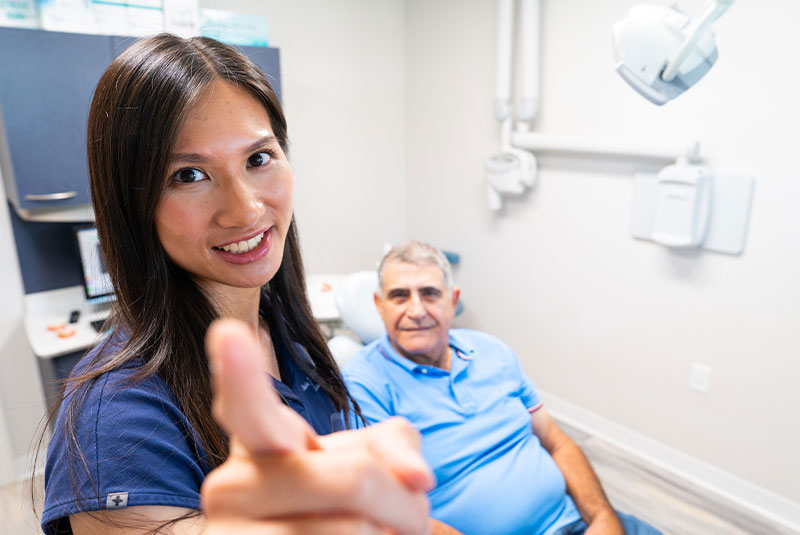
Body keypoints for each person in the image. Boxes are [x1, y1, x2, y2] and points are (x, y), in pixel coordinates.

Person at [37, 34, 445, 535]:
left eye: (258, 159)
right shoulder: (117, 422)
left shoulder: (284, 335)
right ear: (132, 203)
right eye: (189, 175)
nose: (246, 208)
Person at [343, 241, 663, 535]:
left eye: (430, 293)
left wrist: (603, 517)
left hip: (575, 521)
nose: (416, 310)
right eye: (400, 295)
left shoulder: (492, 351)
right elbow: (385, 506)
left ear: (453, 301)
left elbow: (555, 441)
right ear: (379, 304)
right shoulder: (364, 385)